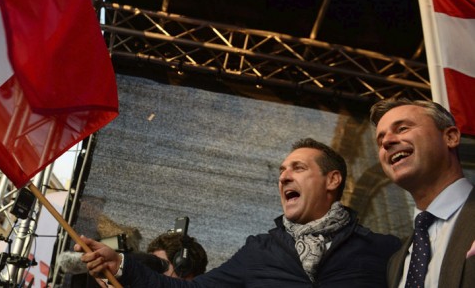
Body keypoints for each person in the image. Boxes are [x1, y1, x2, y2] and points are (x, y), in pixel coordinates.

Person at [74, 138, 401, 287]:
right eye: (282, 171)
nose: (284, 176)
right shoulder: (258, 250)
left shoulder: (385, 251)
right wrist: (122, 264)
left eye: (298, 168)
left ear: (333, 180)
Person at [369, 98, 475, 287]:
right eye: (380, 140)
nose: (386, 142)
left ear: (450, 137)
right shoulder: (395, 264)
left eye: (402, 129)